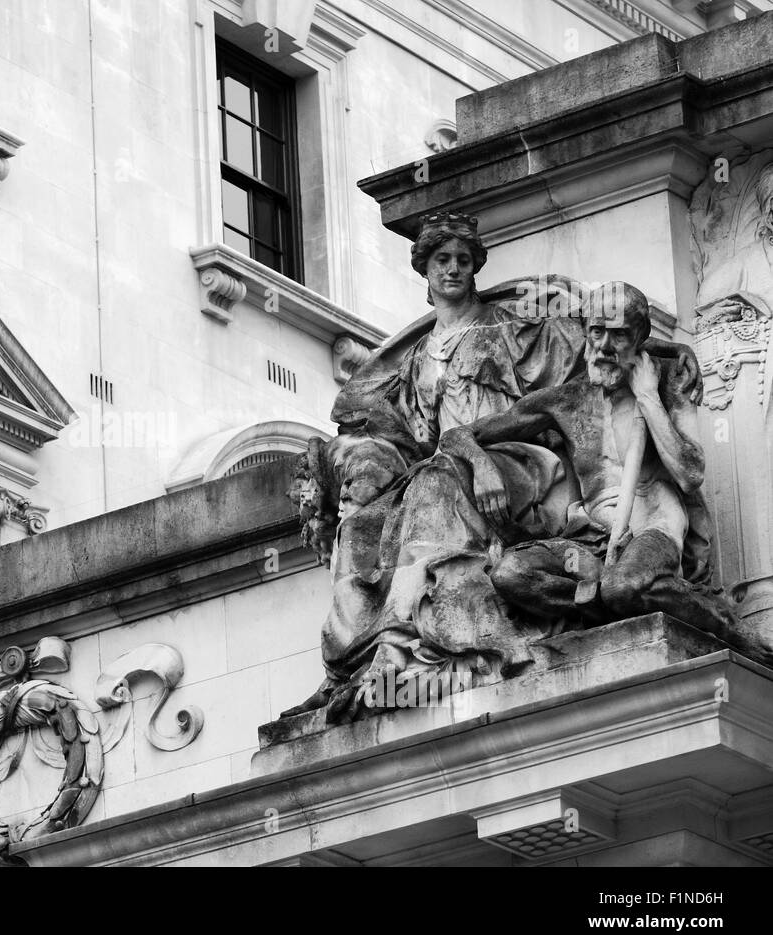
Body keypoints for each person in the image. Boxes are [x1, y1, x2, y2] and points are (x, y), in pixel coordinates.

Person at [285, 213, 703, 721]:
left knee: (435, 480)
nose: (454, 269)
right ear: (425, 268)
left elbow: (595, 350)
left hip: (518, 465)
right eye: (443, 260)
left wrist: (660, 359)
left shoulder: (512, 329)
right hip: (454, 464)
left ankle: (400, 648)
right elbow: (413, 437)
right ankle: (348, 664)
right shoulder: (415, 360)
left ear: (476, 266)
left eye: (463, 259)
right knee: (361, 529)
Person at [440, 284, 767, 662]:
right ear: (586, 332)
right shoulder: (564, 400)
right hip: (591, 539)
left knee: (624, 586)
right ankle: (602, 597)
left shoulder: (665, 381)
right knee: (511, 573)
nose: (606, 346)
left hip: (654, 525)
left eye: (620, 335)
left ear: (640, 338)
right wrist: (480, 465)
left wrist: (647, 396)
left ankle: (721, 621)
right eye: (597, 332)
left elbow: (690, 473)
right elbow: (459, 436)